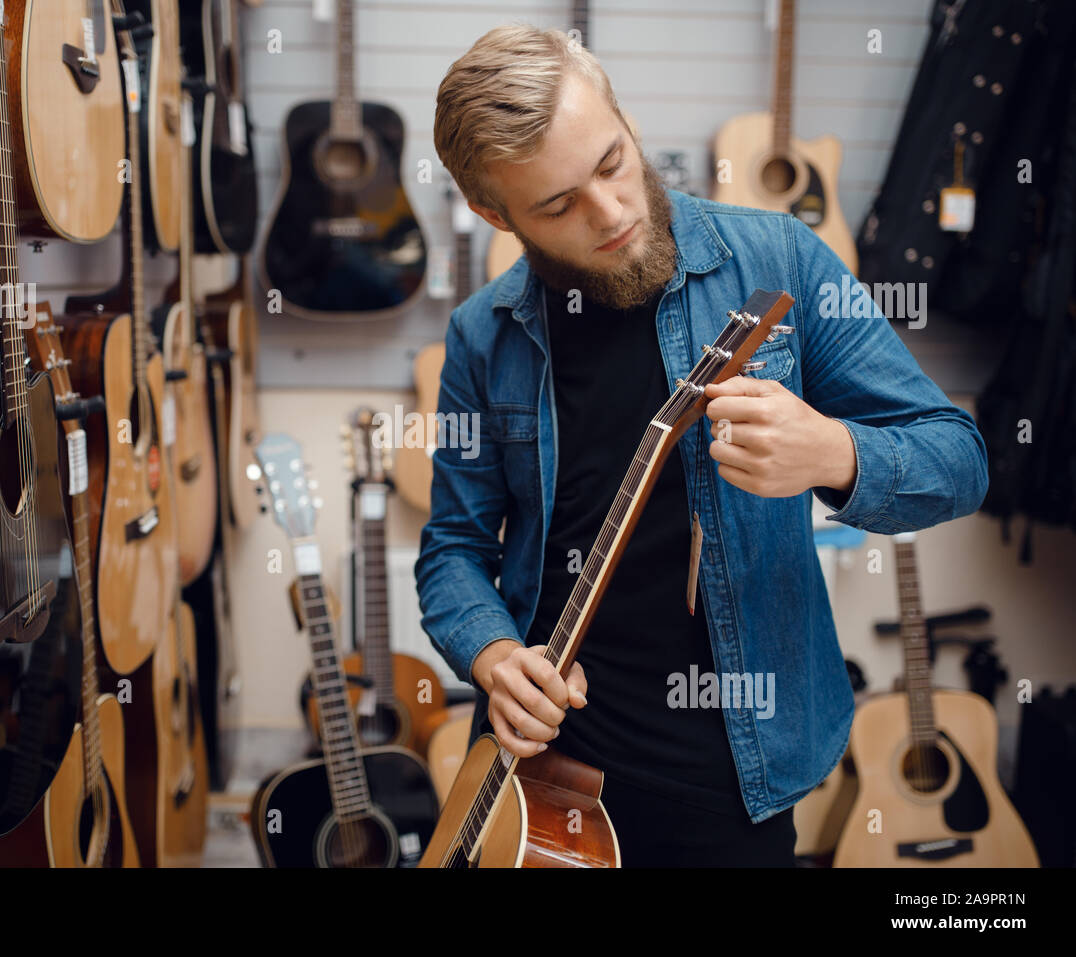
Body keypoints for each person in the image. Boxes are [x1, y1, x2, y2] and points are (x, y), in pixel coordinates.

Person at [415, 25, 989, 866]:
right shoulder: (481, 334)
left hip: (733, 777)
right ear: (492, 214)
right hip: (541, 774)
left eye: (611, 163)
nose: (610, 213)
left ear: (626, 121)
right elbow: (453, 549)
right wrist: (493, 654)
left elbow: (959, 458)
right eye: (557, 204)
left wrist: (833, 452)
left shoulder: (780, 256)